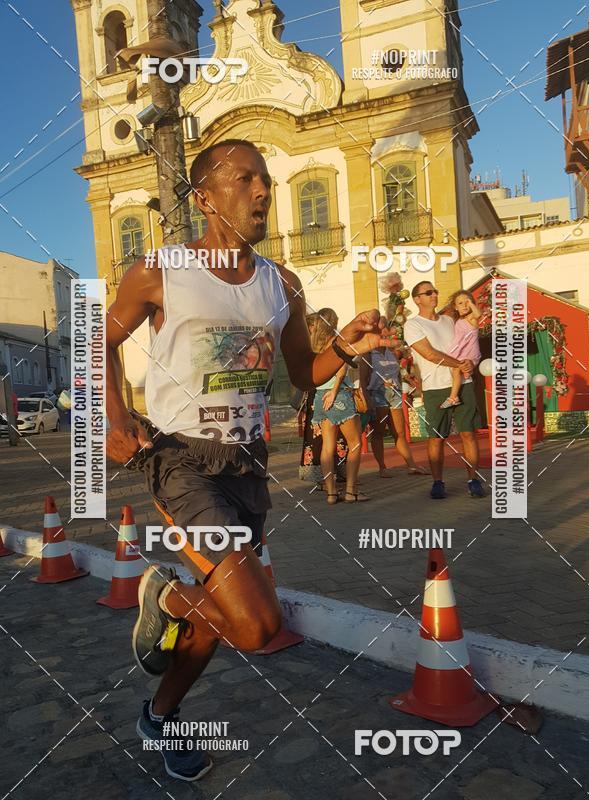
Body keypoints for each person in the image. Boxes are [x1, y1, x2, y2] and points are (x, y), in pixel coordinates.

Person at [105, 139, 397, 781]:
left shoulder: (281, 283)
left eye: (265, 179)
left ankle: (159, 712)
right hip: (182, 465)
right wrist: (116, 415)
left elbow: (302, 372)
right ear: (204, 197)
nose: (263, 190)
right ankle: (173, 598)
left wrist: (346, 348)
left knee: (224, 618)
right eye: (245, 179)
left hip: (248, 467)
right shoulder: (159, 272)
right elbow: (97, 341)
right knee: (258, 624)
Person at [403, 280, 485, 500]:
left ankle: (474, 480)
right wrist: (459, 364)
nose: (434, 295)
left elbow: (469, 343)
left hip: (464, 384)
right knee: (437, 437)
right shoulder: (413, 325)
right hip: (435, 387)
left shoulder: (450, 320)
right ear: (417, 299)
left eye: (435, 291)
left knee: (468, 433)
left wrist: (471, 362)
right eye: (428, 292)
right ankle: (438, 482)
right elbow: (429, 354)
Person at [310, 309, 368, 504]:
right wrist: (335, 391)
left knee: (327, 447)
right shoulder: (338, 341)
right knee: (355, 443)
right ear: (334, 322)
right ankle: (351, 491)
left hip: (320, 395)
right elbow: (341, 369)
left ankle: (331, 493)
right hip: (339, 394)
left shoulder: (314, 344)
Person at [360, 345, 427, 477]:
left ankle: (411, 465)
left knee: (399, 432)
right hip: (377, 393)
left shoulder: (391, 353)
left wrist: (401, 388)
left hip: (394, 392)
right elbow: (363, 379)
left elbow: (398, 373)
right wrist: (367, 399)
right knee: (378, 432)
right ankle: (382, 467)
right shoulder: (368, 354)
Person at [299, 311, 348, 485]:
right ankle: (327, 477)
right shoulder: (314, 344)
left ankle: (331, 476)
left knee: (329, 435)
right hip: (322, 391)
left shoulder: (321, 343)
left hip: (321, 391)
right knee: (324, 435)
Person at [440, 291, 482, 409]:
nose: (464, 305)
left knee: (456, 369)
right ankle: (454, 396)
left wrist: (471, 304)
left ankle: (453, 397)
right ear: (455, 307)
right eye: (460, 303)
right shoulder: (458, 320)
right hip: (462, 351)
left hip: (469, 351)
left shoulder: (471, 317)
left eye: (467, 302)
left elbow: (478, 314)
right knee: (456, 370)